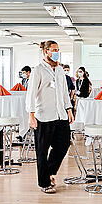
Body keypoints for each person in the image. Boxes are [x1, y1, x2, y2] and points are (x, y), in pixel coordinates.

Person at [26, 41, 74, 194]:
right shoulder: (38, 70)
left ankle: (50, 172)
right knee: (42, 150)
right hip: (43, 116)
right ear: (46, 52)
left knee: (64, 144)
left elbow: (65, 92)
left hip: (60, 115)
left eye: (58, 50)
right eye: (54, 50)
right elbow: (31, 94)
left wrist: (69, 109)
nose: (57, 52)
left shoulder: (60, 70)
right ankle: (44, 183)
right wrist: (31, 115)